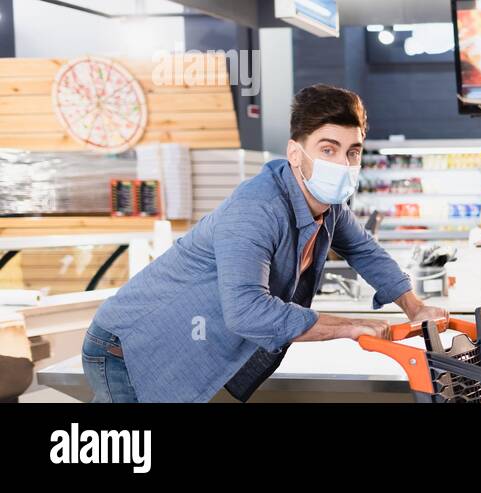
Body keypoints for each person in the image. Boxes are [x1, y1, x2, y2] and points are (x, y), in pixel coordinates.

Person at [82, 84, 449, 403]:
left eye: (352, 152)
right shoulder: (256, 210)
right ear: (295, 153)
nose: (343, 163)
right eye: (328, 149)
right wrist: (347, 326)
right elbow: (247, 311)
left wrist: (415, 308)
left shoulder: (330, 207)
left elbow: (364, 250)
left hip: (190, 347)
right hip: (128, 346)